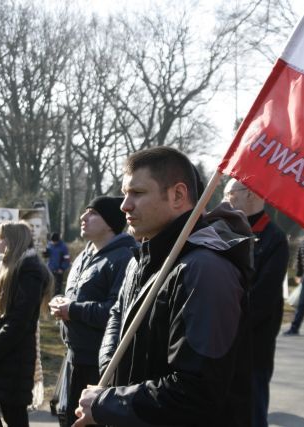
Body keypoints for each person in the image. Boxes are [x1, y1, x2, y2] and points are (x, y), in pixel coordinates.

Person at [73, 147, 252, 427]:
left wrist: (109, 402)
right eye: (125, 192)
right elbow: (117, 317)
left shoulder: (206, 270)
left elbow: (196, 391)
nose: (124, 205)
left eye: (138, 193)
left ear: (178, 196)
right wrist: (110, 376)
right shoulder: (142, 257)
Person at [49, 196, 135, 426]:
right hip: (73, 357)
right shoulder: (84, 255)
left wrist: (73, 310)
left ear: (109, 223)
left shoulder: (125, 257)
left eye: (93, 213)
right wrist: (61, 302)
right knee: (67, 416)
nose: (83, 217)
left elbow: (118, 312)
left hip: (99, 364)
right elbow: (76, 296)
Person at [224, 179, 289, 427]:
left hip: (252, 344)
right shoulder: (224, 231)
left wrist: (228, 323)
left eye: (230, 193)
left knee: (252, 410)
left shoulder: (274, 238)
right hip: (221, 344)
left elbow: (263, 297)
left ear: (250, 194)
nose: (226, 199)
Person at [0, 221, 51, 427]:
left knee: (14, 415)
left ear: (14, 241)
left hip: (14, 357)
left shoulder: (28, 270)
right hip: (5, 356)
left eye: (0, 237)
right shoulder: (9, 267)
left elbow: (18, 322)